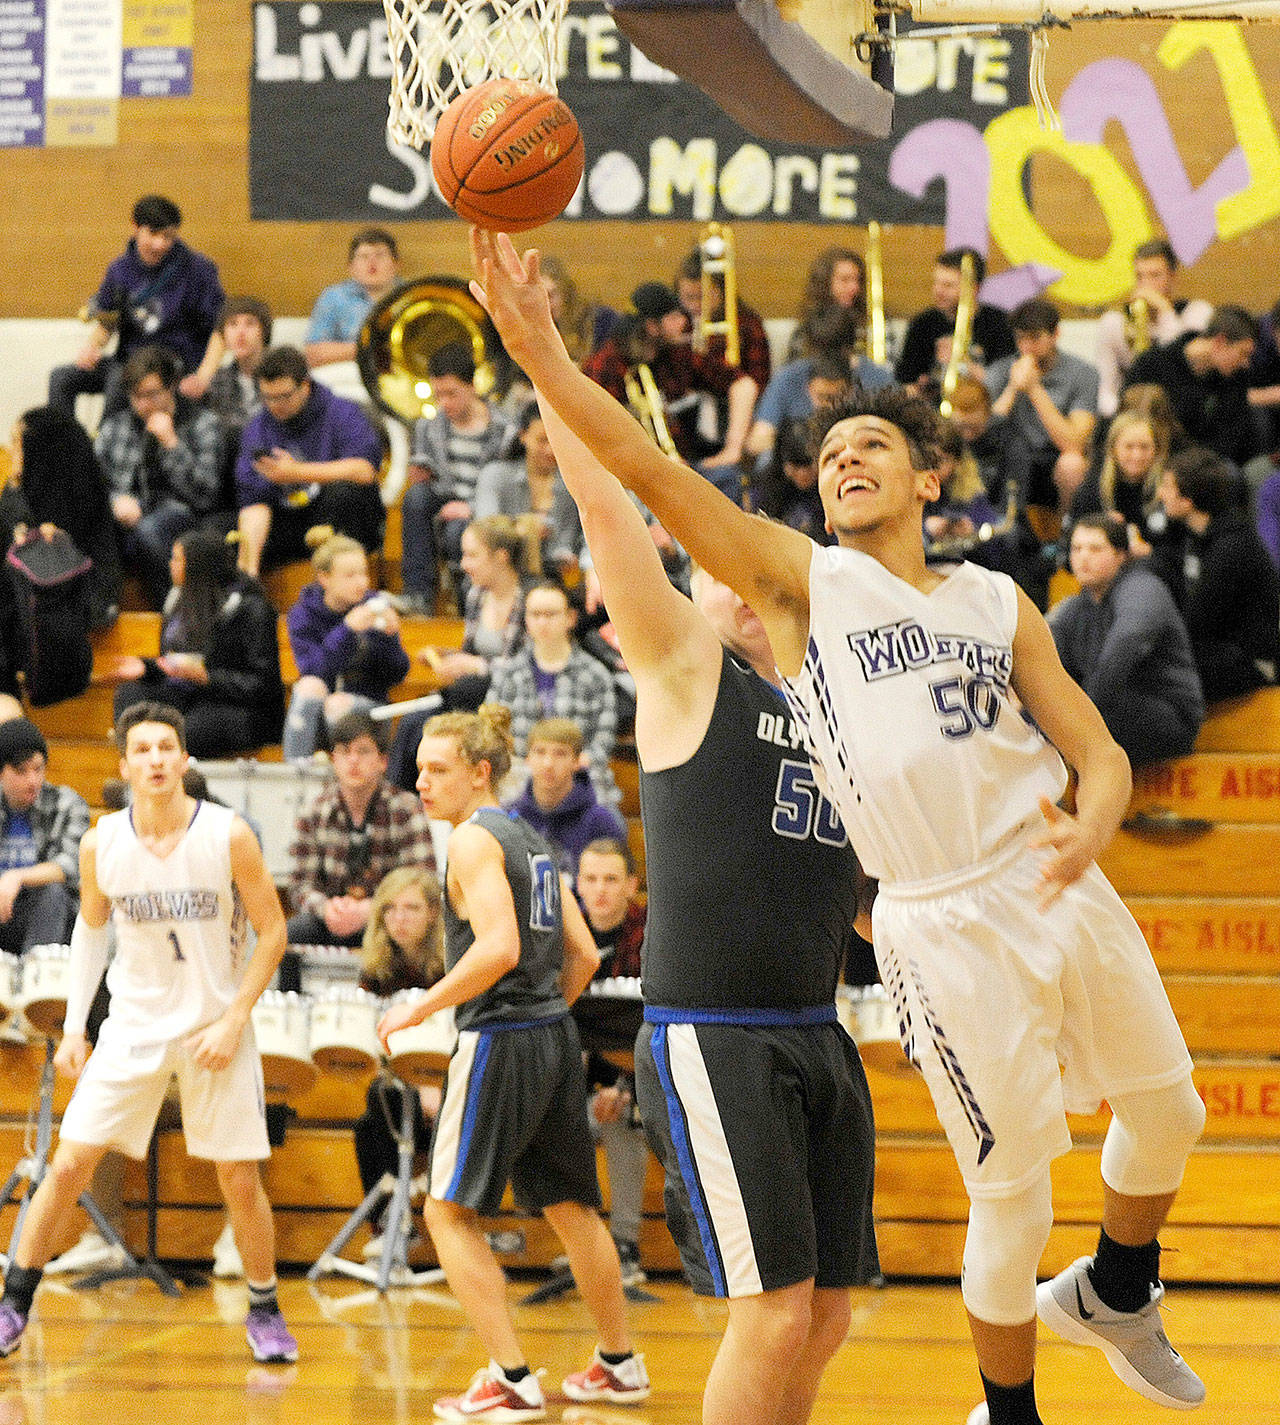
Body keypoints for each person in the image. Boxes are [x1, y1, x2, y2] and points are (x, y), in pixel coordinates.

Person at [473, 230, 1207, 1425]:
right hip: (940, 914)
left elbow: (1102, 753)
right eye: (825, 455)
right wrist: (542, 354)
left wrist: (1096, 828)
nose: (842, 462)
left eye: (870, 445)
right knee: (1011, 1195)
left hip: (1052, 875)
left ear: (930, 479)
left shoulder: (993, 598)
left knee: (1171, 1110)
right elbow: (649, 475)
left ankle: (1117, 1287)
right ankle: (1005, 1415)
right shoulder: (805, 586)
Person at [477, 243, 879, 1425]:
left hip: (818, 1024)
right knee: (769, 1309)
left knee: (828, 1311)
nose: (735, 565)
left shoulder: (830, 699)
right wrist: (544, 363)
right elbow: (613, 508)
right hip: (717, 1031)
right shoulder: (686, 670)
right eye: (713, 557)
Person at [0, 702, 298, 1364]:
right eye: (144, 748)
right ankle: (14, 1300)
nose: (157, 758)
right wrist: (77, 1024)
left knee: (239, 1178)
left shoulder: (228, 834)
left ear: (184, 760)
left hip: (213, 1024)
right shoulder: (99, 841)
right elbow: (92, 931)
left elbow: (273, 930)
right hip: (133, 1024)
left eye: (168, 746)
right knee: (70, 1161)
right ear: (125, 763)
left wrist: (234, 1017)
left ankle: (266, 1304)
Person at [376, 705, 648, 1420]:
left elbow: (496, 947)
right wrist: (543, 1012)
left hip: (500, 1036)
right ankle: (619, 1363)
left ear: (480, 771)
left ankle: (511, 1376)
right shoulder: (534, 839)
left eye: (437, 770)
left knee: (445, 1210)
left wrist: (420, 1006)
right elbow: (584, 954)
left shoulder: (470, 840)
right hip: (555, 1034)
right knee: (571, 1205)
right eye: (419, 769)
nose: (421, 781)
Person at [386, 515, 535, 791]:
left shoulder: (529, 599)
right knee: (411, 726)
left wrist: (478, 666)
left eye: (471, 556)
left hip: (509, 697)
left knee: (440, 715)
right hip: (472, 694)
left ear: (501, 557)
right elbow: (470, 651)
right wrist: (445, 656)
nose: (464, 565)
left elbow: (530, 665)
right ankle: (399, 803)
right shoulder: (476, 595)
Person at [110, 528, 285, 757]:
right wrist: (148, 668)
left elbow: (263, 685)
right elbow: (177, 662)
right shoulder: (177, 600)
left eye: (177, 559)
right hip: (191, 697)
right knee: (131, 695)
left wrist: (206, 676)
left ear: (197, 565)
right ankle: (135, 764)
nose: (171, 564)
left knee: (188, 730)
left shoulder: (252, 609)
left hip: (240, 708)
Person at [48, 195, 226, 419]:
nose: (160, 244)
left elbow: (220, 329)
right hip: (129, 360)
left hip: (175, 364)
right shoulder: (119, 270)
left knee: (119, 381)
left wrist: (203, 376)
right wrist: (92, 348)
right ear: (135, 227)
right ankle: (61, 448)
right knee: (61, 378)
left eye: (168, 236)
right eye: (153, 234)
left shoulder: (198, 270)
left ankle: (107, 447)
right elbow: (108, 322)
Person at [1049, 516, 1204, 768]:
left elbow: (1125, 645)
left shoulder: (1142, 588)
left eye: (1095, 548)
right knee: (1037, 720)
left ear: (1120, 555)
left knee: (1069, 723)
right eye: (1076, 548)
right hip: (1110, 707)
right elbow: (1052, 667)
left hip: (1169, 716)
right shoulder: (1075, 608)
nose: (1083, 557)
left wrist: (1078, 713)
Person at [284, 709, 437, 959]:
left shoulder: (406, 808)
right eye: (344, 752)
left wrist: (372, 909)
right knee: (292, 932)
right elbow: (300, 884)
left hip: (389, 917)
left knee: (411, 928)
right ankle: (290, 997)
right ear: (333, 759)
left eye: (363, 751)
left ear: (382, 760)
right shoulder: (314, 810)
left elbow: (422, 881)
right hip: (331, 918)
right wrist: (327, 908)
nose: (353, 761)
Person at [353, 865, 445, 1259]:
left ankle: (450, 1223)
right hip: (402, 1079)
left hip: (449, 1074)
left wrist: (433, 1080)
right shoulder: (376, 968)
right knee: (371, 1117)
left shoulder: (451, 964)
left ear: (433, 914)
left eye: (411, 908)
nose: (399, 919)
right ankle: (391, 1223)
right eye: (389, 909)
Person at [234, 345, 385, 576]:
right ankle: (246, 591)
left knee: (346, 494)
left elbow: (364, 470)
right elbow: (253, 500)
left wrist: (296, 472)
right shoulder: (258, 428)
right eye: (268, 397)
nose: (276, 405)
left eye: (284, 396)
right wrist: (249, 566)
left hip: (338, 515)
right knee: (225, 528)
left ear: (305, 386)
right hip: (291, 520)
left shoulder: (342, 412)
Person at [572, 837, 649, 1285]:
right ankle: (582, 1246)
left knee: (622, 1120)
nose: (600, 890)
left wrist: (620, 1088)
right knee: (549, 1119)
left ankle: (624, 1246)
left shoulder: (654, 934)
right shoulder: (567, 935)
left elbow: (654, 1031)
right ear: (577, 884)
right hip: (580, 1083)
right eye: (591, 879)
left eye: (611, 879)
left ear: (632, 885)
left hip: (640, 1085)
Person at [96, 345, 225, 608]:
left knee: (150, 530)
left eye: (153, 394)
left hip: (182, 515)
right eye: (136, 396)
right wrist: (114, 502)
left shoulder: (203, 423)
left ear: (171, 387)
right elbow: (92, 484)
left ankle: (176, 608)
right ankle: (102, 608)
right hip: (128, 514)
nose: (144, 404)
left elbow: (206, 495)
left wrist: (171, 443)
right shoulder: (116, 427)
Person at [1150, 447, 1280, 703]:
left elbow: (1196, 624)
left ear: (1187, 500)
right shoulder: (1194, 535)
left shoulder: (1231, 547)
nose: (1160, 494)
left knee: (1158, 665)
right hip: (1219, 649)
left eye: (1166, 486)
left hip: (1253, 663)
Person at [485, 578, 619, 806]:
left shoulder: (595, 674)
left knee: (607, 819)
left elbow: (603, 739)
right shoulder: (507, 674)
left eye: (550, 614)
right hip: (520, 779)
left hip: (579, 776)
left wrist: (569, 765)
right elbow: (492, 731)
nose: (542, 622)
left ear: (570, 618)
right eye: (535, 615)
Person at [399, 342, 513, 609]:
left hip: (484, 508)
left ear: (472, 386)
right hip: (446, 502)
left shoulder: (504, 429)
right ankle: (418, 594)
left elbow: (505, 486)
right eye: (438, 395)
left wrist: (471, 507)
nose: (444, 403)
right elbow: (430, 479)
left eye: (452, 393)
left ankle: (469, 605)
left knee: (458, 531)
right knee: (416, 497)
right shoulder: (428, 426)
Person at [283, 533, 409, 762]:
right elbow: (313, 670)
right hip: (319, 711)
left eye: (363, 573)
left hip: (369, 708)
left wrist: (387, 637)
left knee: (338, 704)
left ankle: (344, 771)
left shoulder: (375, 606)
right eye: (350, 575)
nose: (362, 582)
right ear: (324, 578)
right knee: (309, 687)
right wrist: (347, 631)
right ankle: (296, 770)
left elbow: (397, 674)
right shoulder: (302, 614)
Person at [9, 405, 122, 628]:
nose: (13, 453)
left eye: (18, 445)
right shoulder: (17, 492)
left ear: (38, 451)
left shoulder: (80, 497)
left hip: (74, 602)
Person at [985, 297, 1099, 514]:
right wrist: (1012, 388)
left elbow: (1073, 443)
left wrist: (1035, 389)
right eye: (1020, 339)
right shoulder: (1000, 370)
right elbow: (984, 435)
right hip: (1011, 458)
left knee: (1072, 463)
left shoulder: (1083, 373)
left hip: (1053, 459)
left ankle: (1066, 531)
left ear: (1055, 334)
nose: (1027, 347)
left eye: (1035, 338)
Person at [1125, 305, 1260, 470]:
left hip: (1203, 466)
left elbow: (1230, 439)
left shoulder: (1237, 378)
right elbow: (1128, 420)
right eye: (1243, 353)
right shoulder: (1151, 364)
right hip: (1149, 457)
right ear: (1220, 342)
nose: (1246, 363)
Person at [1094, 239, 1214, 420]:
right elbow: (1105, 388)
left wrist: (1165, 310)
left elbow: (1180, 362)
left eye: (1155, 276)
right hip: (1129, 415)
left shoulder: (1197, 313)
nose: (1146, 285)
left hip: (1180, 413)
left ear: (1173, 277)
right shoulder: (1114, 323)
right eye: (1140, 277)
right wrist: (1123, 416)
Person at [0, 718, 88, 957]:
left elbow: (70, 866)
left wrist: (16, 876)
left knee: (53, 892)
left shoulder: (67, 803)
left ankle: (39, 981)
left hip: (47, 915)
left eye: (38, 769)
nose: (32, 781)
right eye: (20, 771)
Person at [472, 403, 584, 580]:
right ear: (523, 436)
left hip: (564, 577)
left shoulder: (576, 481)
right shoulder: (495, 475)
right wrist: (527, 528)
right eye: (542, 440)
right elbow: (486, 527)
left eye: (555, 440)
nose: (550, 450)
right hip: (507, 574)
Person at [505, 717, 626, 879]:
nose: (548, 763)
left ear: (577, 761)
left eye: (560, 753)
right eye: (540, 752)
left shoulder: (601, 822)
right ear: (527, 759)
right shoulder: (509, 817)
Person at [894, 247, 1016, 396]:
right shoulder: (923, 323)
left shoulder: (999, 323)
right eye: (936, 283)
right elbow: (905, 379)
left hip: (982, 408)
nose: (938, 291)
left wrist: (962, 361)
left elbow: (1005, 384)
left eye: (948, 285)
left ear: (974, 288)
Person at [304, 228, 402, 370]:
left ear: (396, 264)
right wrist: (370, 349)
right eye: (363, 257)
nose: (372, 263)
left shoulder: (412, 295)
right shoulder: (334, 297)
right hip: (348, 377)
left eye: (380, 255)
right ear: (351, 267)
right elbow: (314, 353)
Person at [1067, 411, 1166, 547]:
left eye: (1144, 447)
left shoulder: (1168, 490)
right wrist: (1100, 526)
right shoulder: (1093, 488)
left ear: (1157, 450)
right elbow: (1070, 540)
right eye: (1129, 447)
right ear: (1113, 449)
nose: (1137, 455)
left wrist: (1151, 553)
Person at [205, 297, 272, 442]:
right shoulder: (218, 380)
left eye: (250, 323)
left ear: (264, 331)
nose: (240, 332)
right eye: (233, 324)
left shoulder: (282, 373)